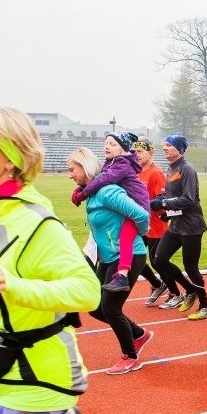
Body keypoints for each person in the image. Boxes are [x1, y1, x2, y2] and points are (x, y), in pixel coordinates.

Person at [0, 106, 99, 414]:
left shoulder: (34, 223)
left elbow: (87, 290)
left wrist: (15, 285)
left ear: (10, 156)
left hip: (35, 382)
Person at [68, 148, 155, 375]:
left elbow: (141, 214)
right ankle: (138, 334)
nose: (70, 175)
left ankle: (131, 357)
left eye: (72, 169)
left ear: (85, 167)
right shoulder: (92, 193)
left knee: (110, 308)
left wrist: (138, 234)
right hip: (107, 258)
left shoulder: (108, 191)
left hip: (129, 255)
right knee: (95, 306)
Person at [71, 131, 150, 293]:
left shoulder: (122, 163)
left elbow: (103, 180)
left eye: (113, 144)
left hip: (139, 206)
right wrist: (80, 188)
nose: (107, 146)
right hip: (131, 210)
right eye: (106, 143)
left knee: (125, 238)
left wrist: (83, 193)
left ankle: (122, 275)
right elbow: (98, 178)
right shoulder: (112, 164)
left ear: (123, 150)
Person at [150, 133, 207, 319]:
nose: (164, 148)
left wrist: (163, 204)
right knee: (159, 260)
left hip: (191, 226)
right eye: (164, 145)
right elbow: (173, 196)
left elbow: (188, 199)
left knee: (191, 267)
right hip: (176, 224)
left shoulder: (187, 168)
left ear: (179, 149)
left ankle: (206, 306)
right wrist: (167, 209)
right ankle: (190, 289)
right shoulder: (171, 168)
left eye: (169, 145)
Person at [133, 138, 179, 306]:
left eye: (140, 151)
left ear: (150, 153)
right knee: (133, 257)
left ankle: (176, 293)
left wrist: (145, 205)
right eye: (134, 152)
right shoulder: (136, 172)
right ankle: (157, 284)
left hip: (155, 224)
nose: (136, 155)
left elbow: (163, 199)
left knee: (157, 261)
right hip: (139, 224)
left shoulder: (155, 173)